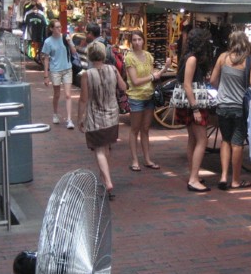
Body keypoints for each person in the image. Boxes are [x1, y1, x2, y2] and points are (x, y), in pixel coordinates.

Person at [77, 41, 126, 200]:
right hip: (111, 115)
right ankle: (104, 181)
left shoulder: (87, 74)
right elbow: (123, 87)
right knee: (106, 149)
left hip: (95, 115)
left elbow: (84, 99)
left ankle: (108, 181)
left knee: (99, 150)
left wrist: (80, 118)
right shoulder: (112, 69)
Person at [210, 30, 251, 190]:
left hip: (222, 105)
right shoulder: (249, 60)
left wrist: (222, 89)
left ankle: (223, 176)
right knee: (237, 143)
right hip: (239, 107)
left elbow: (212, 80)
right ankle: (235, 180)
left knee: (225, 140)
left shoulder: (223, 58)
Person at [124, 30, 171, 171]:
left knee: (145, 129)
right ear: (131, 42)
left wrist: (164, 69)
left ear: (143, 40)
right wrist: (152, 77)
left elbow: (154, 76)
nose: (137, 42)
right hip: (136, 97)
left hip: (149, 95)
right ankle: (134, 160)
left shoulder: (149, 56)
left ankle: (147, 159)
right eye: (134, 40)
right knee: (135, 129)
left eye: (139, 39)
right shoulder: (129, 58)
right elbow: (135, 81)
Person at [175, 27, 214, 193]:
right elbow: (187, 84)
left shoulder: (188, 57)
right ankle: (193, 179)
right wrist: (196, 109)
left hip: (189, 103)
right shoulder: (192, 59)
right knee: (201, 140)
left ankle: (194, 174)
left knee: (193, 138)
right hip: (194, 102)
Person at [41, 19, 76, 128]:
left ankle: (69, 119)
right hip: (55, 70)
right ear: (51, 29)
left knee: (68, 94)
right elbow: (46, 58)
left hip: (67, 69)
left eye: (60, 27)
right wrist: (46, 75)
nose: (59, 29)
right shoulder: (48, 42)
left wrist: (70, 42)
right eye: (57, 27)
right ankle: (55, 113)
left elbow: (74, 52)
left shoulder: (65, 38)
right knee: (56, 94)